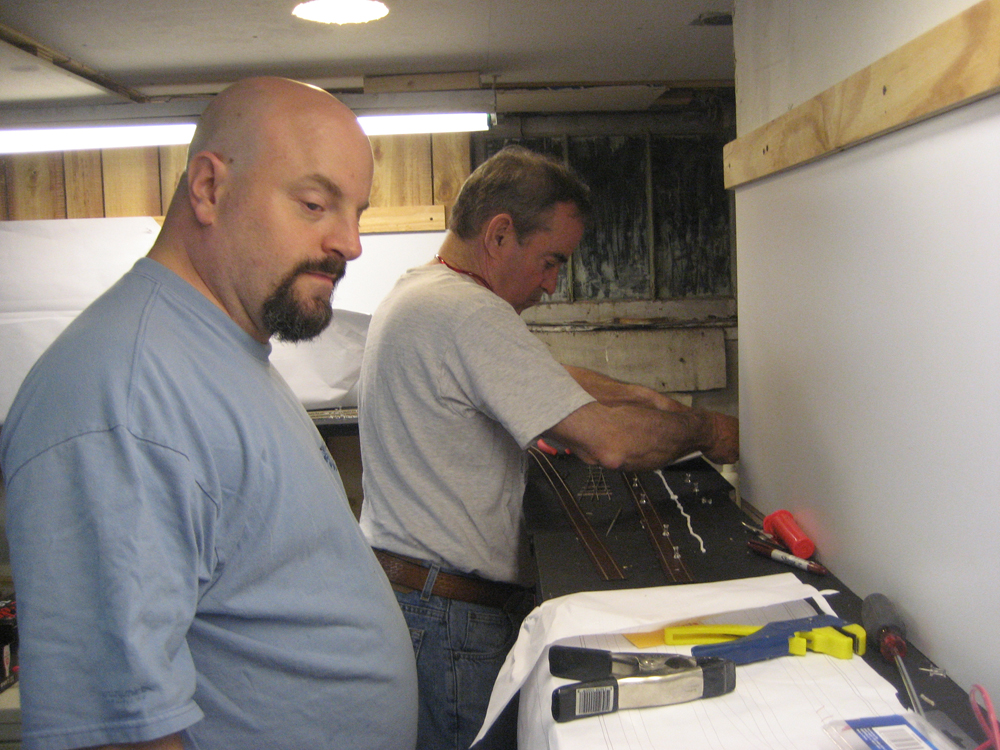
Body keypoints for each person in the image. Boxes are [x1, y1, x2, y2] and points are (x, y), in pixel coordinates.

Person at [0, 77, 418, 750]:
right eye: (315, 204)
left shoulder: (225, 348)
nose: (351, 242)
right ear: (208, 188)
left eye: (357, 212)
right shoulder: (126, 396)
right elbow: (119, 733)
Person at [357, 145, 739, 750]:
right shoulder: (466, 312)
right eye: (550, 261)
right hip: (450, 617)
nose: (552, 284)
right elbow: (609, 446)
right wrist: (712, 433)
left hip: (418, 600)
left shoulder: (423, 291)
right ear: (500, 233)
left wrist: (641, 394)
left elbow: (534, 372)